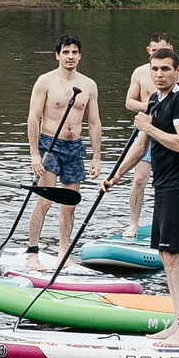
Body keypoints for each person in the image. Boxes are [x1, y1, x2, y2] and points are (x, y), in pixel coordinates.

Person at [108, 50, 179, 347]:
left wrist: (148, 126)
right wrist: (117, 174)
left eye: (165, 69)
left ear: (178, 70)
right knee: (165, 255)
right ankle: (177, 323)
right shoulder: (154, 101)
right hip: (162, 184)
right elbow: (141, 145)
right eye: (154, 69)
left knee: (175, 255)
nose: (159, 74)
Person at [21, 35, 103, 260]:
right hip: (49, 145)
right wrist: (34, 154)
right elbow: (33, 118)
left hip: (74, 147)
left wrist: (96, 157)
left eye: (74, 52)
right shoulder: (45, 81)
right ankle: (33, 251)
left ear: (80, 56)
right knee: (45, 201)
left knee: (69, 205)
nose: (70, 56)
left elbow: (94, 122)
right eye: (66, 52)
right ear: (58, 55)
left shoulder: (88, 85)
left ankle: (63, 253)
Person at [121, 34, 179, 241]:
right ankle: (134, 223)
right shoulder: (140, 73)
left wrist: (163, 110)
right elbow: (129, 102)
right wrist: (151, 107)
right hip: (145, 131)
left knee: (175, 182)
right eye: (154, 52)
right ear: (148, 51)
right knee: (139, 179)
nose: (159, 71)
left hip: (171, 135)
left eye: (164, 51)